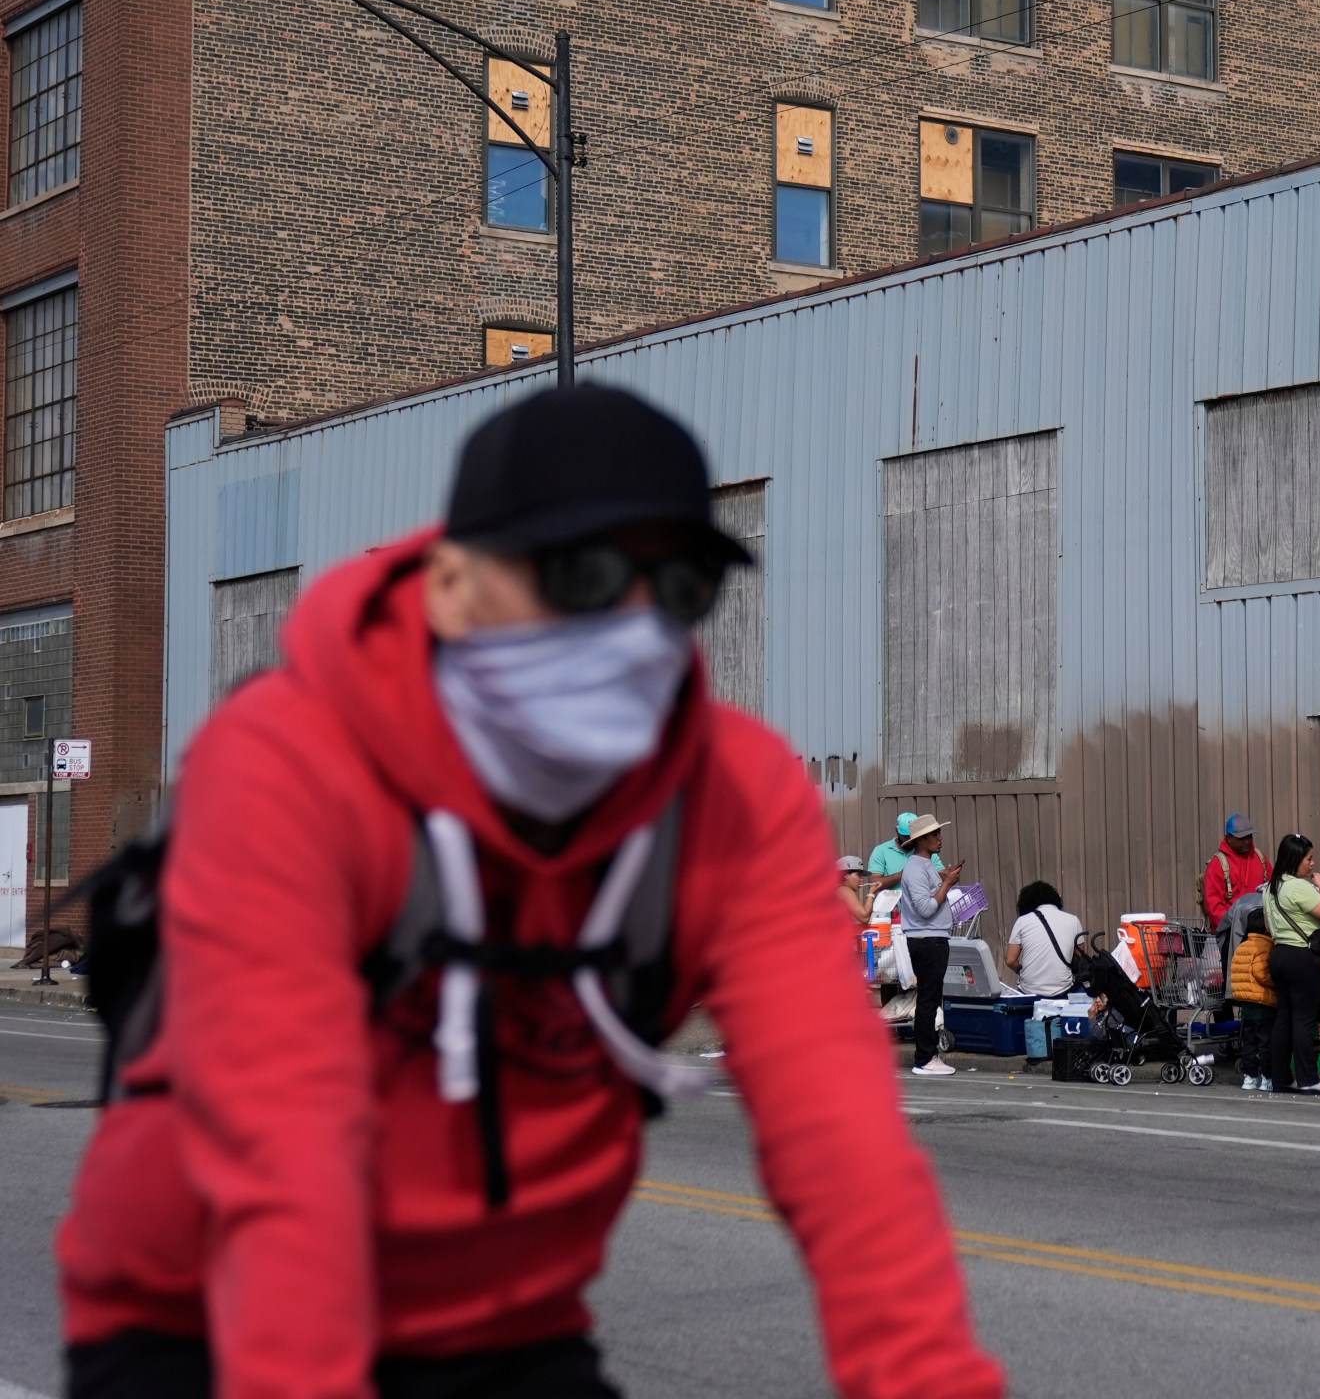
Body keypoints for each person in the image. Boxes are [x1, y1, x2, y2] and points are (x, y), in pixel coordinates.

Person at [53, 385, 1001, 1398]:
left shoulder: (733, 796)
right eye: (584, 574)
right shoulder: (289, 763)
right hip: (201, 1319)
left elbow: (839, 1131)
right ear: (453, 583)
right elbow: (283, 1159)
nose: (636, 626)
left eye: (677, 587)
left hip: (507, 1327)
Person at [1263, 832, 1320, 1095]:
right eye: (1309, 858)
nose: (1312, 864)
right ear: (1296, 859)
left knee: (1284, 1017)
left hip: (1279, 954)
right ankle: (1308, 1079)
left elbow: (1269, 925)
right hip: (1301, 957)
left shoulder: (1271, 888)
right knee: (1304, 1019)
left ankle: (1281, 1078)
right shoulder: (1298, 886)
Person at [898, 814, 966, 1076]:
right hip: (927, 940)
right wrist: (947, 884)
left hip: (932, 938)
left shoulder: (923, 866)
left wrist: (944, 879)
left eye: (939, 832)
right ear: (920, 840)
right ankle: (925, 1057)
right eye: (934, 834)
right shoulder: (915, 868)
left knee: (930, 998)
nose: (940, 838)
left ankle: (927, 1056)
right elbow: (926, 909)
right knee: (928, 999)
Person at [1202, 813, 1272, 949]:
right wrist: (1234, 928)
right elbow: (1214, 906)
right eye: (1242, 838)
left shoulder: (1260, 858)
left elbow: (1273, 888)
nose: (1247, 841)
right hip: (1231, 935)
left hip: (1261, 934)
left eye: (1249, 836)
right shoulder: (1218, 865)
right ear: (1229, 838)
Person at [1004, 881, 1082, 999]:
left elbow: (1010, 960)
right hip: (1063, 991)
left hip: (1029, 992)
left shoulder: (1022, 921)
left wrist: (1020, 970)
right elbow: (1080, 954)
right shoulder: (1073, 920)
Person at [1228, 907, 1278, 1091]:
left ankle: (1249, 1078)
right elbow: (1261, 972)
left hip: (1247, 1005)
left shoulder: (1242, 946)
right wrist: (1276, 983)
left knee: (1249, 1043)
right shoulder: (1265, 946)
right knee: (1265, 1043)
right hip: (1263, 1004)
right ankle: (1267, 1078)